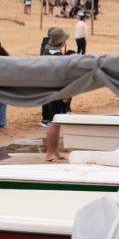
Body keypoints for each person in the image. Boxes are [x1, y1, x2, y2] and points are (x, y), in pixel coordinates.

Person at [43, 28, 70, 161]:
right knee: (54, 123)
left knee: (56, 122)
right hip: (56, 91)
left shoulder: (47, 52)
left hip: (50, 90)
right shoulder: (57, 56)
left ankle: (54, 150)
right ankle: (50, 152)